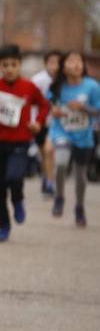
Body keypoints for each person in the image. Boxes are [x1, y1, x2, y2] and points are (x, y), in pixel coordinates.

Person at [0, 44, 50, 242]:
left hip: (19, 143)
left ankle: (18, 200)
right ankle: (3, 224)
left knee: (15, 177)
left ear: (19, 65)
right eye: (5, 65)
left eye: (13, 64)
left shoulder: (28, 87)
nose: (9, 69)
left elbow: (43, 105)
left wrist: (37, 123)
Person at [47, 51, 100, 227]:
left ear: (84, 66)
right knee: (61, 163)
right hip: (62, 131)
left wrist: (84, 107)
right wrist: (54, 111)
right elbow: (49, 105)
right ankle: (59, 197)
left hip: (84, 136)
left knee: (80, 176)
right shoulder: (57, 86)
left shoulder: (92, 86)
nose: (76, 64)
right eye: (71, 61)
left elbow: (98, 110)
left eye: (80, 61)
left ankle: (79, 207)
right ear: (63, 66)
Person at [32, 50, 62, 196]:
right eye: (52, 63)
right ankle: (46, 177)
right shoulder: (37, 81)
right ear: (45, 64)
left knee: (50, 152)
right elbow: (31, 103)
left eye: (58, 63)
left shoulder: (64, 81)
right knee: (43, 153)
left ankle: (50, 182)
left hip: (59, 124)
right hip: (41, 122)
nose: (55, 66)